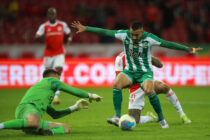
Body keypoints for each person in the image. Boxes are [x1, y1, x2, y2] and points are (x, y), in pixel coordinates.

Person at [71, 21, 202, 128]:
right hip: (130, 72)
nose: (133, 37)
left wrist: (189, 49)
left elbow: (168, 44)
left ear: (142, 32)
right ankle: (117, 117)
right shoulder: (124, 35)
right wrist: (86, 28)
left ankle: (162, 119)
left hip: (145, 73)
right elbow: (106, 32)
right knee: (117, 83)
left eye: (137, 35)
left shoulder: (149, 38)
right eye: (132, 34)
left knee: (151, 90)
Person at [0, 69, 102, 135]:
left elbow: (55, 114)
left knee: (65, 128)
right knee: (34, 122)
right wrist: (90, 95)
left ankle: (47, 133)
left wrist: (74, 107)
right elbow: (72, 90)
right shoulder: (51, 80)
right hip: (28, 108)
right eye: (59, 77)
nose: (59, 80)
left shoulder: (45, 94)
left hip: (30, 121)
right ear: (55, 75)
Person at [113, 51, 191, 125]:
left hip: (147, 82)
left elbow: (160, 65)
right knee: (134, 120)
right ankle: (150, 117)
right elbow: (119, 81)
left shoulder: (143, 52)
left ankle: (182, 115)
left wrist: (149, 56)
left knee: (163, 86)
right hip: (134, 89)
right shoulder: (120, 58)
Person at [35, 8, 73, 104]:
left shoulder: (62, 25)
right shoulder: (44, 26)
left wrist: (69, 38)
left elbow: (69, 32)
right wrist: (40, 37)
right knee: (47, 74)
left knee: (58, 70)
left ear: (56, 15)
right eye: (49, 14)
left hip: (59, 52)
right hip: (48, 53)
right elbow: (36, 37)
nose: (51, 16)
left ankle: (56, 96)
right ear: (47, 16)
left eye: (53, 14)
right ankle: (47, 94)